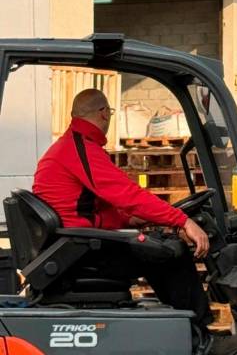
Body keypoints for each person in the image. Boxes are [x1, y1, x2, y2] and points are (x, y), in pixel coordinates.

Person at [33, 89, 213, 331]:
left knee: (157, 247)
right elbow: (129, 194)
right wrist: (183, 221)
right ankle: (198, 332)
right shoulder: (81, 150)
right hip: (80, 253)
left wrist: (130, 220)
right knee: (171, 253)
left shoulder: (73, 146)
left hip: (75, 245)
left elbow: (90, 208)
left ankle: (181, 327)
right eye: (109, 112)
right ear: (104, 113)